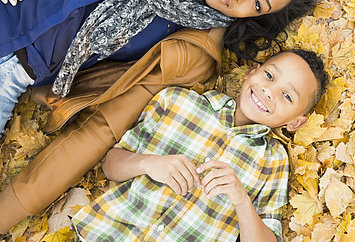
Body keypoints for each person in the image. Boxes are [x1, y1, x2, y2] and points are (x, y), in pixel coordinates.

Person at [0, 0, 336, 232]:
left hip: (12, 75)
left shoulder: (191, 49)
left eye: (257, 5)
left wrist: (9, 211)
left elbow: (98, 132)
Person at [70, 48, 328, 241]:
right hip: (108, 233)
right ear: (252, 71)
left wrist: (241, 200)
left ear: (295, 123)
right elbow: (110, 165)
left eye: (286, 95)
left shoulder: (273, 160)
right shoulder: (177, 101)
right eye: (269, 75)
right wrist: (149, 163)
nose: (269, 90)